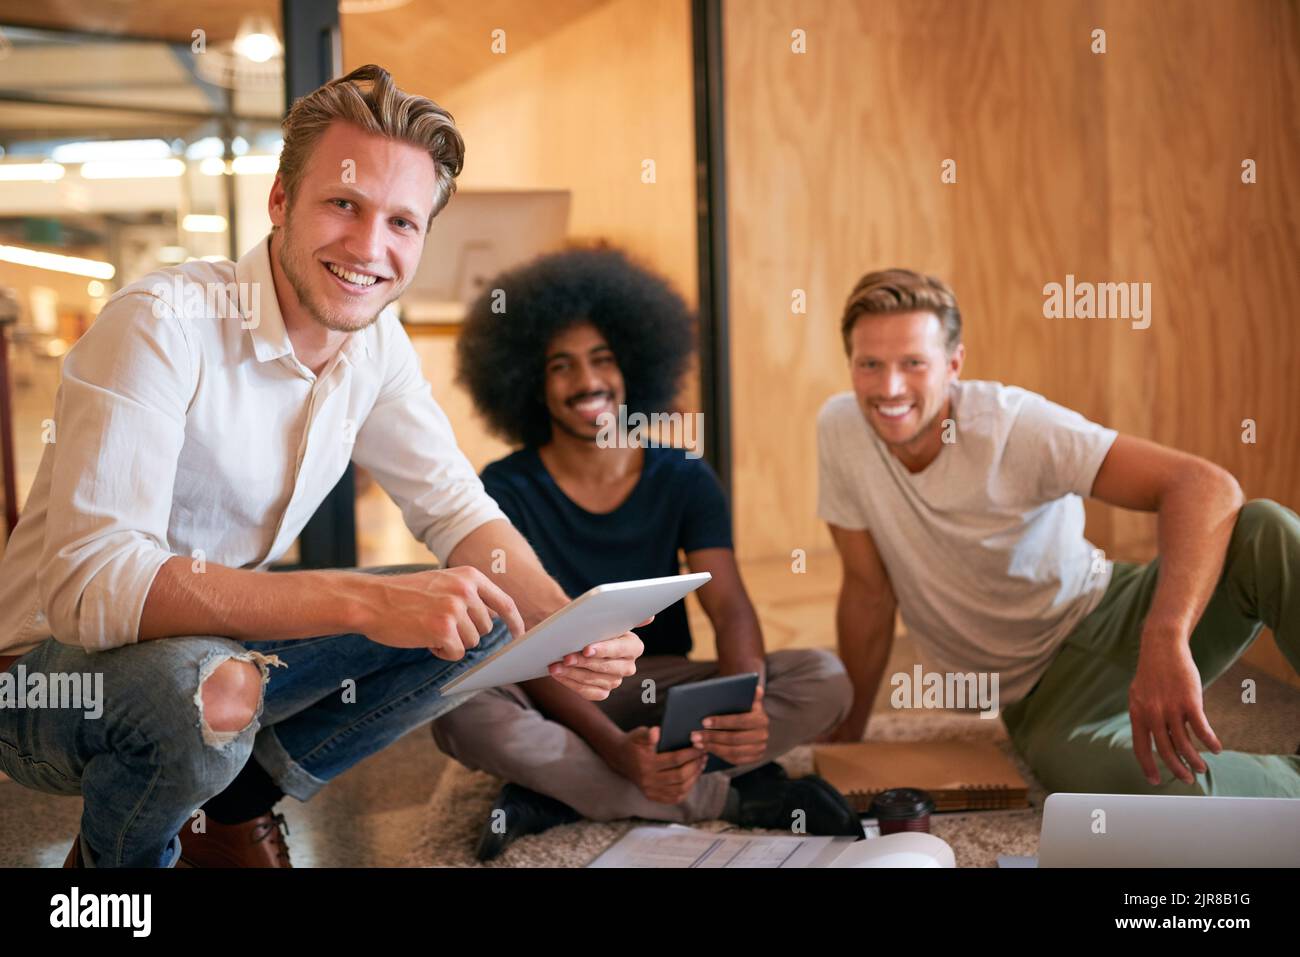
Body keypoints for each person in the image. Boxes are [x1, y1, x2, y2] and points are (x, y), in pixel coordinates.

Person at [0, 65, 642, 869]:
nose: (370, 247)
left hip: (214, 652)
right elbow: (92, 588)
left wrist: (561, 625)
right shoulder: (162, 325)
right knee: (204, 687)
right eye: (343, 203)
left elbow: (453, 507)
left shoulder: (375, 346)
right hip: (40, 679)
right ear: (280, 202)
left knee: (483, 610)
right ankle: (104, 883)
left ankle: (233, 803)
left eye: (402, 221)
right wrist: (364, 600)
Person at [433, 248, 859, 860]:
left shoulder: (683, 476)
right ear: (528, 381)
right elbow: (525, 646)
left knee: (824, 677)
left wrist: (748, 699)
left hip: (663, 686)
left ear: (633, 366)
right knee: (459, 712)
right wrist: (612, 747)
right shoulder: (504, 489)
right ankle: (733, 798)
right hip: (555, 690)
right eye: (561, 366)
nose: (587, 382)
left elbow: (732, 608)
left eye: (602, 359)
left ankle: (560, 794)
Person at [817, 267, 1299, 796]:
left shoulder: (1015, 425)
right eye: (869, 365)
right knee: (1157, 800)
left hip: (1113, 612)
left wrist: (1166, 635)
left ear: (953, 364)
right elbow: (867, 592)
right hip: (1042, 700)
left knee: (1264, 531)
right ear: (851, 366)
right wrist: (850, 732)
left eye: (913, 363)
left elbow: (1204, 485)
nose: (889, 387)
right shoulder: (841, 431)